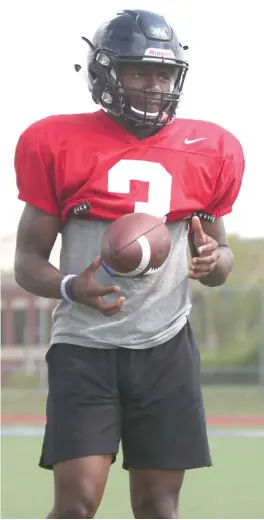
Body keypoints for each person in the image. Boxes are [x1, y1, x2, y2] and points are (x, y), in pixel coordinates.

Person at [14, 8, 244, 519]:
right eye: (139, 71)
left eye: (163, 74)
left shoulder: (212, 149)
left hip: (166, 346)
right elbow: (28, 261)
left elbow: (221, 258)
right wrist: (73, 286)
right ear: (105, 73)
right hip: (84, 346)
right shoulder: (56, 141)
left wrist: (213, 260)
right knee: (76, 504)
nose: (153, 85)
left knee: (159, 505)